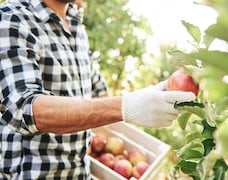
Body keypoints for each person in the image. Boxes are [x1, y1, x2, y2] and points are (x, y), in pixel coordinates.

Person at [0, 0, 196, 179]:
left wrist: (155, 95)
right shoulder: (12, 19)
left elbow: (97, 91)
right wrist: (125, 107)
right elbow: (25, 108)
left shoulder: (76, 27)